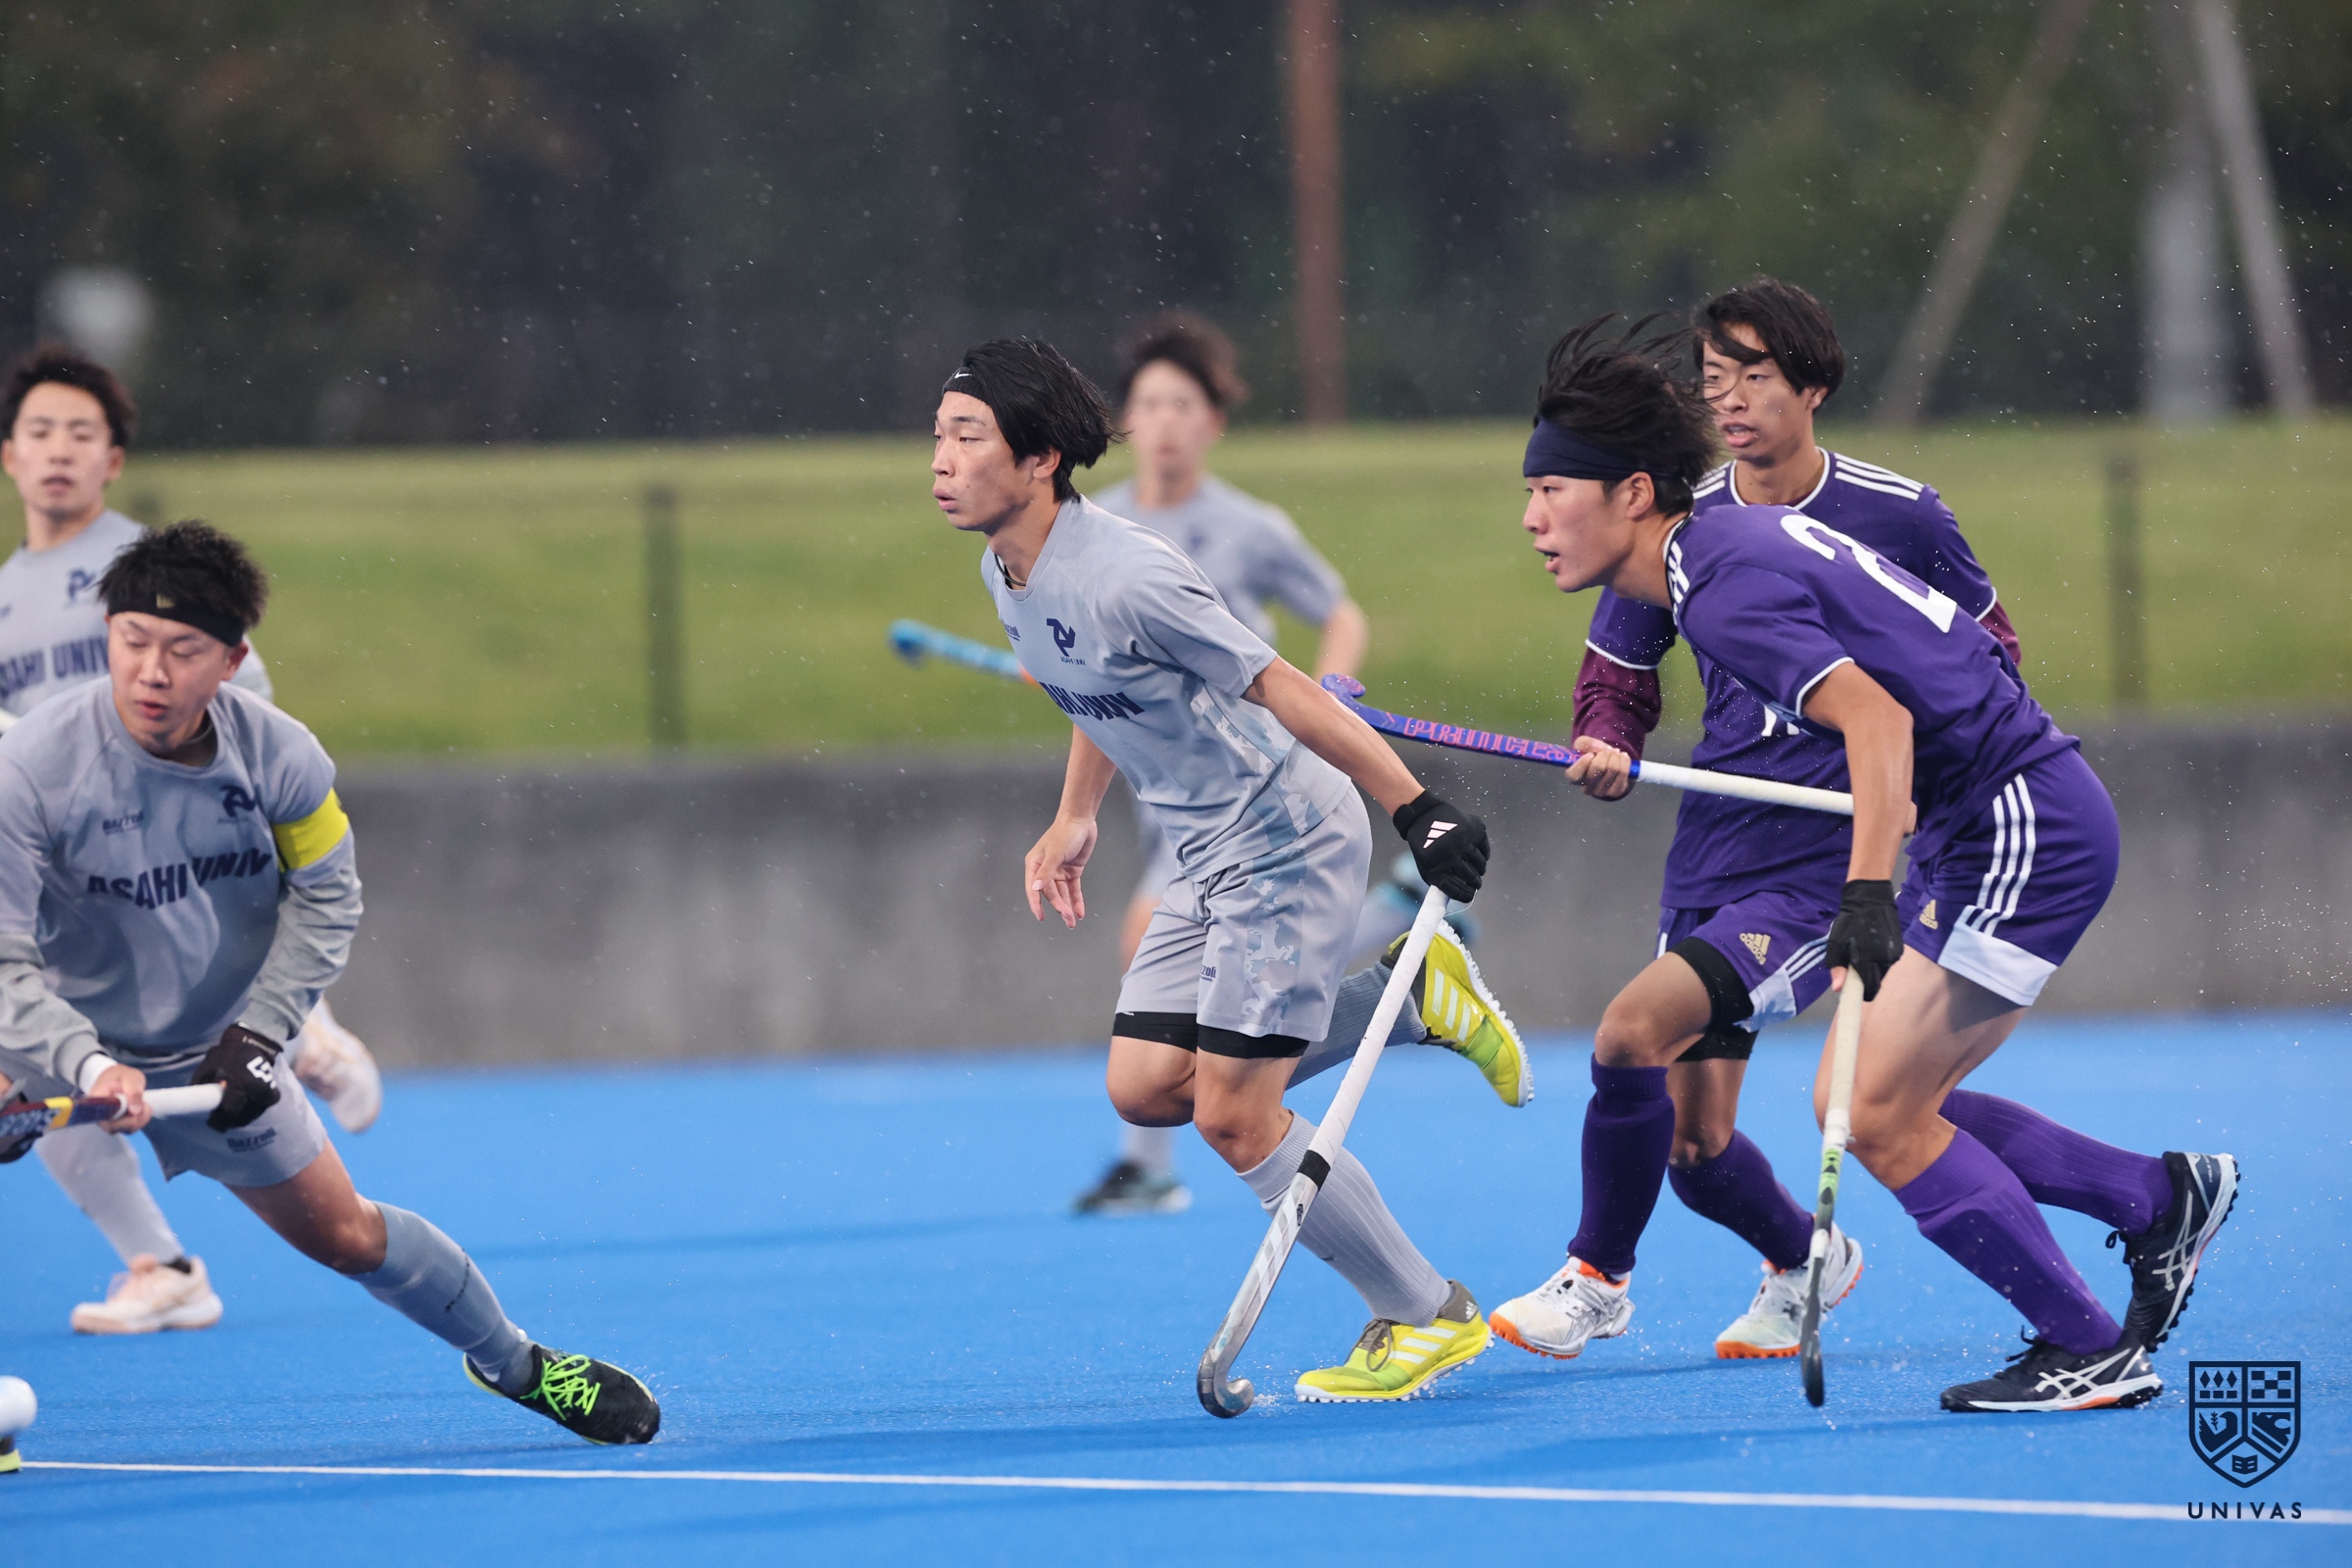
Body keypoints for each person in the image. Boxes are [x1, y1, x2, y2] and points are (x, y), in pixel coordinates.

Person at [1514, 317, 2235, 1411]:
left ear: (1633, 494)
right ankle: (2151, 1197)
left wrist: (1861, 895)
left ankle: (2088, 1344)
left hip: (2016, 820)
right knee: (1869, 1100)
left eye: (1551, 491)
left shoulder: (1723, 581)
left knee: (1872, 1109)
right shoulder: (1719, 548)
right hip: (1981, 822)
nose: (1532, 519)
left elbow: (1881, 720)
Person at [936, 338, 1525, 1401]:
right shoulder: (1005, 569)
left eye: (967, 437)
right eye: (939, 436)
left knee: (1234, 1116)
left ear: (1039, 458)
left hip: (1285, 837)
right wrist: (1076, 815)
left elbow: (1285, 686)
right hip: (1204, 853)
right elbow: (1089, 691)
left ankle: (1424, 1310)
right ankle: (1408, 1000)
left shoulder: (1130, 574)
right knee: (1147, 1086)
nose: (940, 460)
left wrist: (1415, 808)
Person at [0, 522, 658, 1442]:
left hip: (212, 1045)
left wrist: (261, 1034)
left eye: (183, 650)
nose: (151, 672)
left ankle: (519, 1365)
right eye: (132, 641)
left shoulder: (282, 759)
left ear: (232, 661)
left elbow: (327, 897)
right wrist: (80, 1063)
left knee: (347, 1236)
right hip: (54, 1029)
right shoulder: (29, 769)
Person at [1492, 279, 2021, 1362]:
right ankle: (1805, 1261)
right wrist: (1608, 741)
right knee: (1696, 1148)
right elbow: (1617, 676)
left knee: (1630, 1031)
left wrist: (1922, 779)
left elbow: (1989, 661)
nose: (1728, 399)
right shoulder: (1672, 525)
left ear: (1813, 387)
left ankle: (1597, 1277)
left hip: (1826, 854)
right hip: (1718, 841)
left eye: (1754, 376)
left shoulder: (1902, 514)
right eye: (1712, 379)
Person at [0, 344, 383, 1339]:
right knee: (41, 1045)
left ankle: (304, 1032)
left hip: (157, 860)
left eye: (81, 433)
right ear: (9, 454)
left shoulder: (150, 570)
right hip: (69, 875)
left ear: (114, 460)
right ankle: (160, 1262)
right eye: (39, 431)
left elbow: (245, 730)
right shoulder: (5, 597)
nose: (58, 451)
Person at [1075, 314, 1483, 1215]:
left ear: (1214, 422)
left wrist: (1329, 689)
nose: (1165, 422)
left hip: (1246, 778)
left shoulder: (1249, 528)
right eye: (1149, 404)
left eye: (1183, 405)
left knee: (1151, 948)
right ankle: (1397, 942)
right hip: (1162, 785)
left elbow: (1338, 611)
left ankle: (1147, 1163)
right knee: (1209, 994)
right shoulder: (1095, 529)